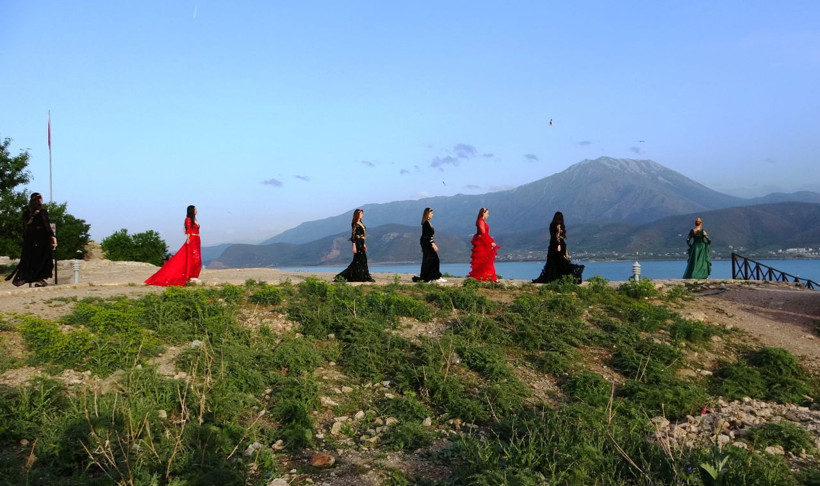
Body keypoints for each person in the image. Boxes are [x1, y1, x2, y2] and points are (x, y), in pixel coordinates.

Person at [5, 193, 57, 287]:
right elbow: (47, 226)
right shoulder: (42, 212)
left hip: (30, 239)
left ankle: (36, 280)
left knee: (32, 259)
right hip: (42, 238)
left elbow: (25, 228)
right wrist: (53, 237)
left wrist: (26, 240)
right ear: (39, 200)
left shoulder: (26, 213)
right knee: (44, 259)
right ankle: (39, 279)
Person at [145, 205, 202, 286]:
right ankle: (190, 275)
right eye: (195, 209)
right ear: (191, 210)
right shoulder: (188, 219)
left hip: (197, 240)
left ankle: (193, 275)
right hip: (192, 239)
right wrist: (188, 239)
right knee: (192, 258)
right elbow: (188, 229)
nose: (196, 210)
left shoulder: (195, 219)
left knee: (197, 258)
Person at [532, 211, 583, 283]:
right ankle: (561, 277)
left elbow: (557, 236)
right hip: (558, 245)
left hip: (554, 245)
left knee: (554, 262)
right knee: (561, 261)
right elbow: (557, 236)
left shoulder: (553, 225)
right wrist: (559, 244)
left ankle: (554, 277)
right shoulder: (558, 226)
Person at [336, 208, 376, 282]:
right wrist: (354, 246)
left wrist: (364, 244)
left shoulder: (361, 223)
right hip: (357, 243)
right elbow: (353, 236)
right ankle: (362, 276)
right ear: (357, 214)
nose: (362, 215)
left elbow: (362, 235)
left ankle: (364, 276)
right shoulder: (355, 224)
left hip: (361, 242)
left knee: (361, 260)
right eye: (361, 213)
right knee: (360, 259)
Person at [413, 208, 445, 283]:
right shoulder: (426, 223)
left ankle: (429, 277)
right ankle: (435, 277)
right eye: (431, 213)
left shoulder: (427, 222)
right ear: (427, 214)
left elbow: (424, 235)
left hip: (426, 243)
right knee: (435, 259)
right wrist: (433, 244)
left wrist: (423, 245)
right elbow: (427, 235)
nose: (432, 214)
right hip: (428, 243)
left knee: (428, 260)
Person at [467, 207, 498, 282]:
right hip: (481, 243)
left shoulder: (483, 221)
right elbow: (483, 233)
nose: (488, 215)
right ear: (483, 213)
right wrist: (491, 242)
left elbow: (486, 234)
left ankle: (489, 276)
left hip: (485, 242)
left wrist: (490, 241)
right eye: (487, 213)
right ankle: (489, 277)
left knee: (487, 261)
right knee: (484, 261)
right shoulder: (480, 221)